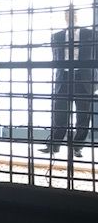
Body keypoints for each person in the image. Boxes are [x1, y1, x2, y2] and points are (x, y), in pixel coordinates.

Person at [39, 10, 96, 157]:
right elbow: (55, 59)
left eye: (73, 15)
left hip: (83, 78)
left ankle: (77, 146)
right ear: (65, 18)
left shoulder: (91, 34)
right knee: (59, 113)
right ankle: (54, 145)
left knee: (83, 114)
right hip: (63, 77)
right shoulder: (56, 36)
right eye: (67, 15)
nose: (70, 17)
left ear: (78, 16)